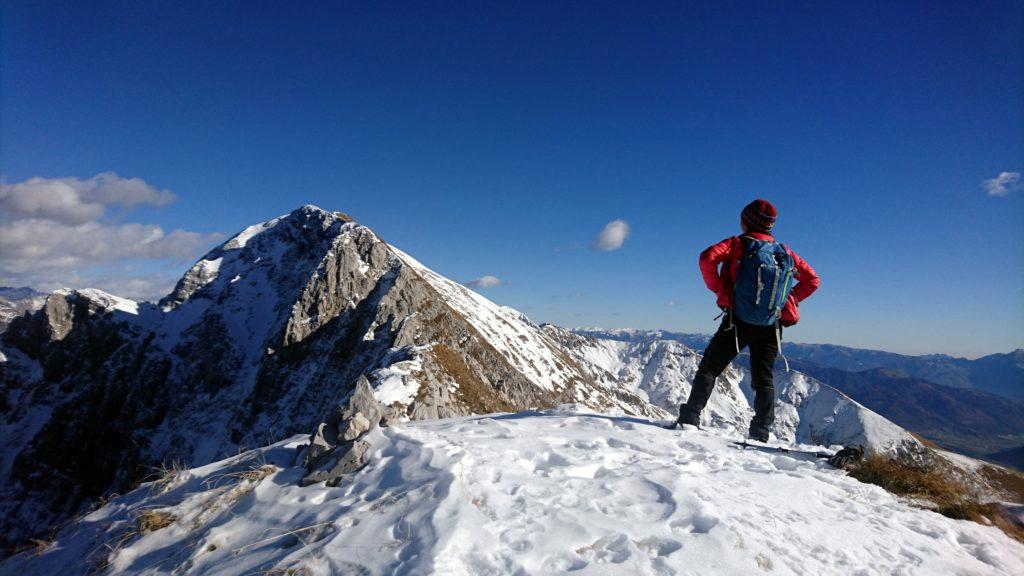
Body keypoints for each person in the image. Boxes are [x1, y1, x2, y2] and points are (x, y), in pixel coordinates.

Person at [677, 199, 820, 442]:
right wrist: (788, 299)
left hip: (737, 321)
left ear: (746, 221)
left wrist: (720, 290)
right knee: (763, 378)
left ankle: (690, 418)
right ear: (770, 225)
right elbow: (812, 280)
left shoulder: (736, 244)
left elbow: (707, 258)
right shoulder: (785, 253)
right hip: (770, 323)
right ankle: (761, 432)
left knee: (710, 368)